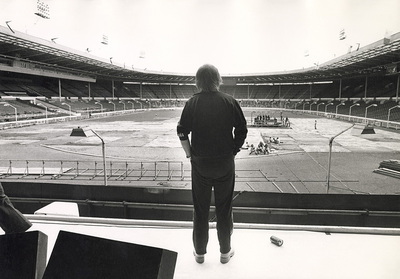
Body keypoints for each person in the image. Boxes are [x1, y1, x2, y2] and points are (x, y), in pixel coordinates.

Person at [177, 64, 248, 264]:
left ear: (197, 81)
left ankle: (199, 253)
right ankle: (225, 253)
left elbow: (181, 131)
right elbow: (242, 130)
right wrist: (233, 150)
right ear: (218, 80)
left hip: (200, 165)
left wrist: (189, 153)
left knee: (200, 209)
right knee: (224, 208)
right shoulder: (229, 101)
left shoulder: (192, 103)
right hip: (225, 163)